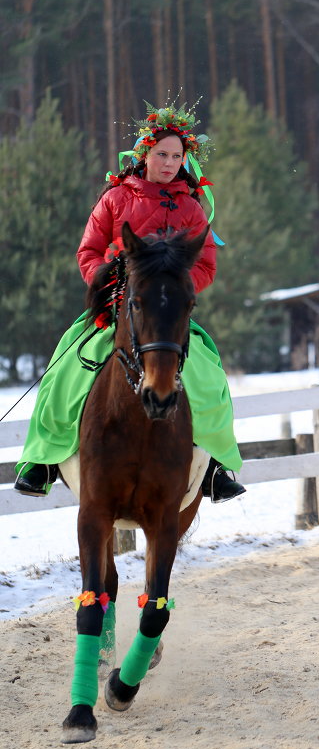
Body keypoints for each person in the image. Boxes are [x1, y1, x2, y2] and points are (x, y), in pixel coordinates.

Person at [14, 100, 245, 503]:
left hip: (167, 317)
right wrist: (109, 279)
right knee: (62, 371)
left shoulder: (192, 208)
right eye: (162, 155)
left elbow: (206, 264)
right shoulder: (115, 199)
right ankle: (43, 461)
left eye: (177, 156)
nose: (169, 163)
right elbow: (88, 251)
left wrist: (168, 288)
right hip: (113, 311)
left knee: (210, 377)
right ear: (145, 156)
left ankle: (214, 468)